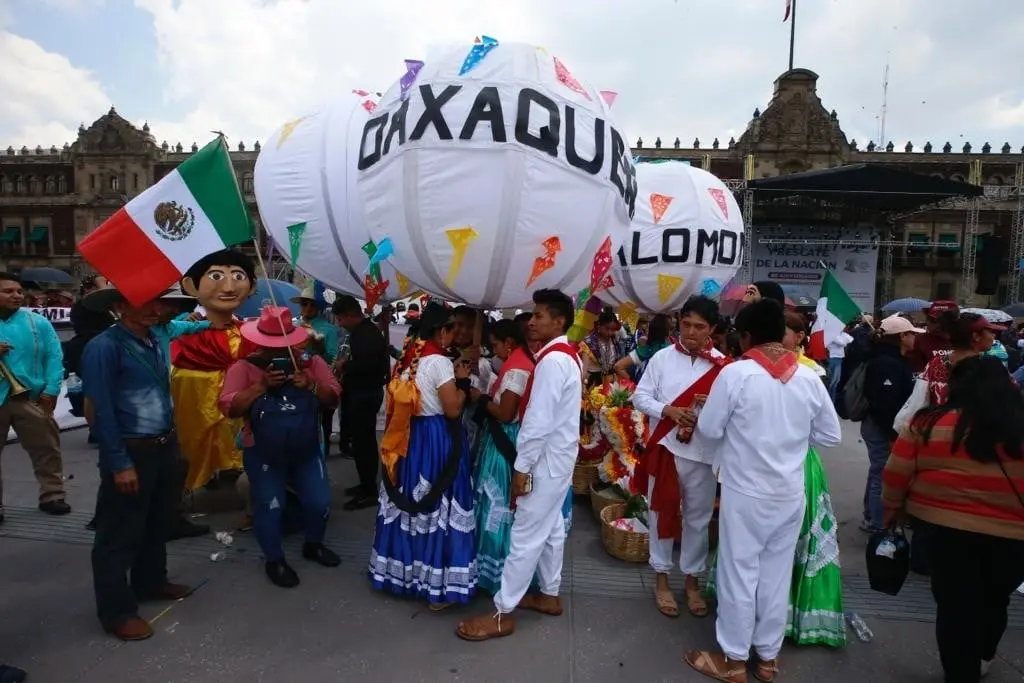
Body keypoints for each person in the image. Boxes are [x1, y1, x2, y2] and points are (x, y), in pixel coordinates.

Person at [685, 299, 842, 683]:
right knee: (775, 572)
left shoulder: (737, 374)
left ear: (747, 336)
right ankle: (767, 659)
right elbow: (830, 435)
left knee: (739, 573)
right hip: (790, 493)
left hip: (745, 491)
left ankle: (735, 660)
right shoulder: (807, 377)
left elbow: (709, 429)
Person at [883, 356, 1024, 683]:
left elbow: (896, 472)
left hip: (943, 532)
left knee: (955, 607)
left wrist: (892, 509)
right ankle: (984, 654)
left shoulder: (927, 423)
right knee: (995, 599)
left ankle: (961, 673)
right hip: (1013, 537)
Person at [456, 289, 582, 642]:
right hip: (558, 460)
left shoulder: (555, 361)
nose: (532, 321)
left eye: (540, 315)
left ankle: (503, 612)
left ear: (559, 321)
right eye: (533, 315)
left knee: (525, 534)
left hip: (543, 463)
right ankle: (549, 594)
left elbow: (538, 422)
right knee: (553, 528)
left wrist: (522, 469)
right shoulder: (564, 357)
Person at [82, 285, 194, 641]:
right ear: (119, 306)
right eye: (143, 301)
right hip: (131, 450)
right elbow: (99, 409)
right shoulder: (104, 347)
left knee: (155, 521)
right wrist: (118, 463)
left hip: (162, 445)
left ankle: (150, 582)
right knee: (119, 533)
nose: (154, 308)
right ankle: (116, 612)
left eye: (158, 301)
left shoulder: (152, 340)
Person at [219, 305, 341, 588]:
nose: (277, 351)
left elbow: (333, 398)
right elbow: (229, 408)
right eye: (270, 345)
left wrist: (311, 386)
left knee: (319, 501)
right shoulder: (244, 367)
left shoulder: (312, 364)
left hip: (306, 449)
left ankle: (313, 543)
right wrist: (260, 387)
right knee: (270, 506)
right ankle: (274, 559)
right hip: (263, 452)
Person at [369, 302, 476, 608]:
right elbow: (453, 409)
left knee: (411, 505)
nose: (456, 334)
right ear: (443, 331)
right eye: (453, 329)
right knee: (439, 506)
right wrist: (463, 381)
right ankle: (437, 586)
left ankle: (402, 575)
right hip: (436, 437)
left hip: (410, 438)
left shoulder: (408, 360)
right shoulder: (439, 362)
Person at [632, 296, 728, 619]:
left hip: (702, 456)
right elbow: (639, 397)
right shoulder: (661, 359)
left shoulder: (724, 367)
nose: (691, 332)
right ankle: (661, 580)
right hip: (666, 450)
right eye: (685, 324)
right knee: (660, 514)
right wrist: (668, 410)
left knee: (698, 520)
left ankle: (691, 581)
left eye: (699, 327)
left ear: (712, 329)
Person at [780, 311, 845, 647]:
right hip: (768, 463)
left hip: (800, 462)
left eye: (785, 333)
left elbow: (829, 432)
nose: (779, 338)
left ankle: (794, 615)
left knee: (799, 535)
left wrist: (795, 437)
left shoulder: (811, 372)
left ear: (801, 337)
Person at [171, 250, 258, 494]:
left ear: (252, 286)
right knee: (195, 443)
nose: (229, 287)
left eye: (238, 276)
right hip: (195, 402)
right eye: (217, 276)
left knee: (236, 443)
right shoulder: (182, 327)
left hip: (235, 403)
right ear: (190, 285)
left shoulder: (247, 330)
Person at [0, 272, 69, 521]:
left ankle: (53, 495)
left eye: (18, 291)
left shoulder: (36, 321)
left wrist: (51, 390)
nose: (17, 295)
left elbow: (54, 355)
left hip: (30, 398)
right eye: (8, 291)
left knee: (47, 449)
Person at [858, 315, 921, 534]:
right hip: (882, 427)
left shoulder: (895, 360)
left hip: (883, 426)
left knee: (877, 471)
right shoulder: (886, 363)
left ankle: (870, 516)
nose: (915, 338)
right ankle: (878, 525)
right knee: (882, 475)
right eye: (912, 333)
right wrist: (893, 435)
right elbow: (884, 405)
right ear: (902, 337)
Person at [332, 294, 390, 510]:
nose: (340, 323)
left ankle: (369, 491)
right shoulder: (362, 332)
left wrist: (344, 366)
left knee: (364, 443)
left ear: (349, 315)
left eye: (340, 319)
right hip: (360, 393)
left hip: (365, 394)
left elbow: (369, 366)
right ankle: (365, 484)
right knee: (360, 442)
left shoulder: (366, 335)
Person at [291, 286, 339, 452]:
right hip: (295, 382)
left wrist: (317, 349)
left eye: (312, 305)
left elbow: (332, 358)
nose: (308, 308)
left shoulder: (329, 329)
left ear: (319, 307)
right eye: (304, 304)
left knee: (321, 423)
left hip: (318, 383)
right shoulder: (292, 326)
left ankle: (320, 459)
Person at [614, 313, 672, 382]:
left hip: (643, 389)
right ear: (667, 332)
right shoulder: (671, 349)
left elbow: (618, 366)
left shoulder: (646, 348)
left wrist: (634, 384)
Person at [908, 301, 959, 373]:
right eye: (930, 319)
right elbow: (916, 371)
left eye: (933, 320)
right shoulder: (920, 340)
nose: (928, 323)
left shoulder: (961, 340)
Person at [580, 309, 624, 385]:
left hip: (610, 383)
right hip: (592, 384)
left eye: (613, 329)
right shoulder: (589, 343)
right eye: (607, 328)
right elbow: (584, 370)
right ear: (599, 326)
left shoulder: (615, 342)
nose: (610, 332)